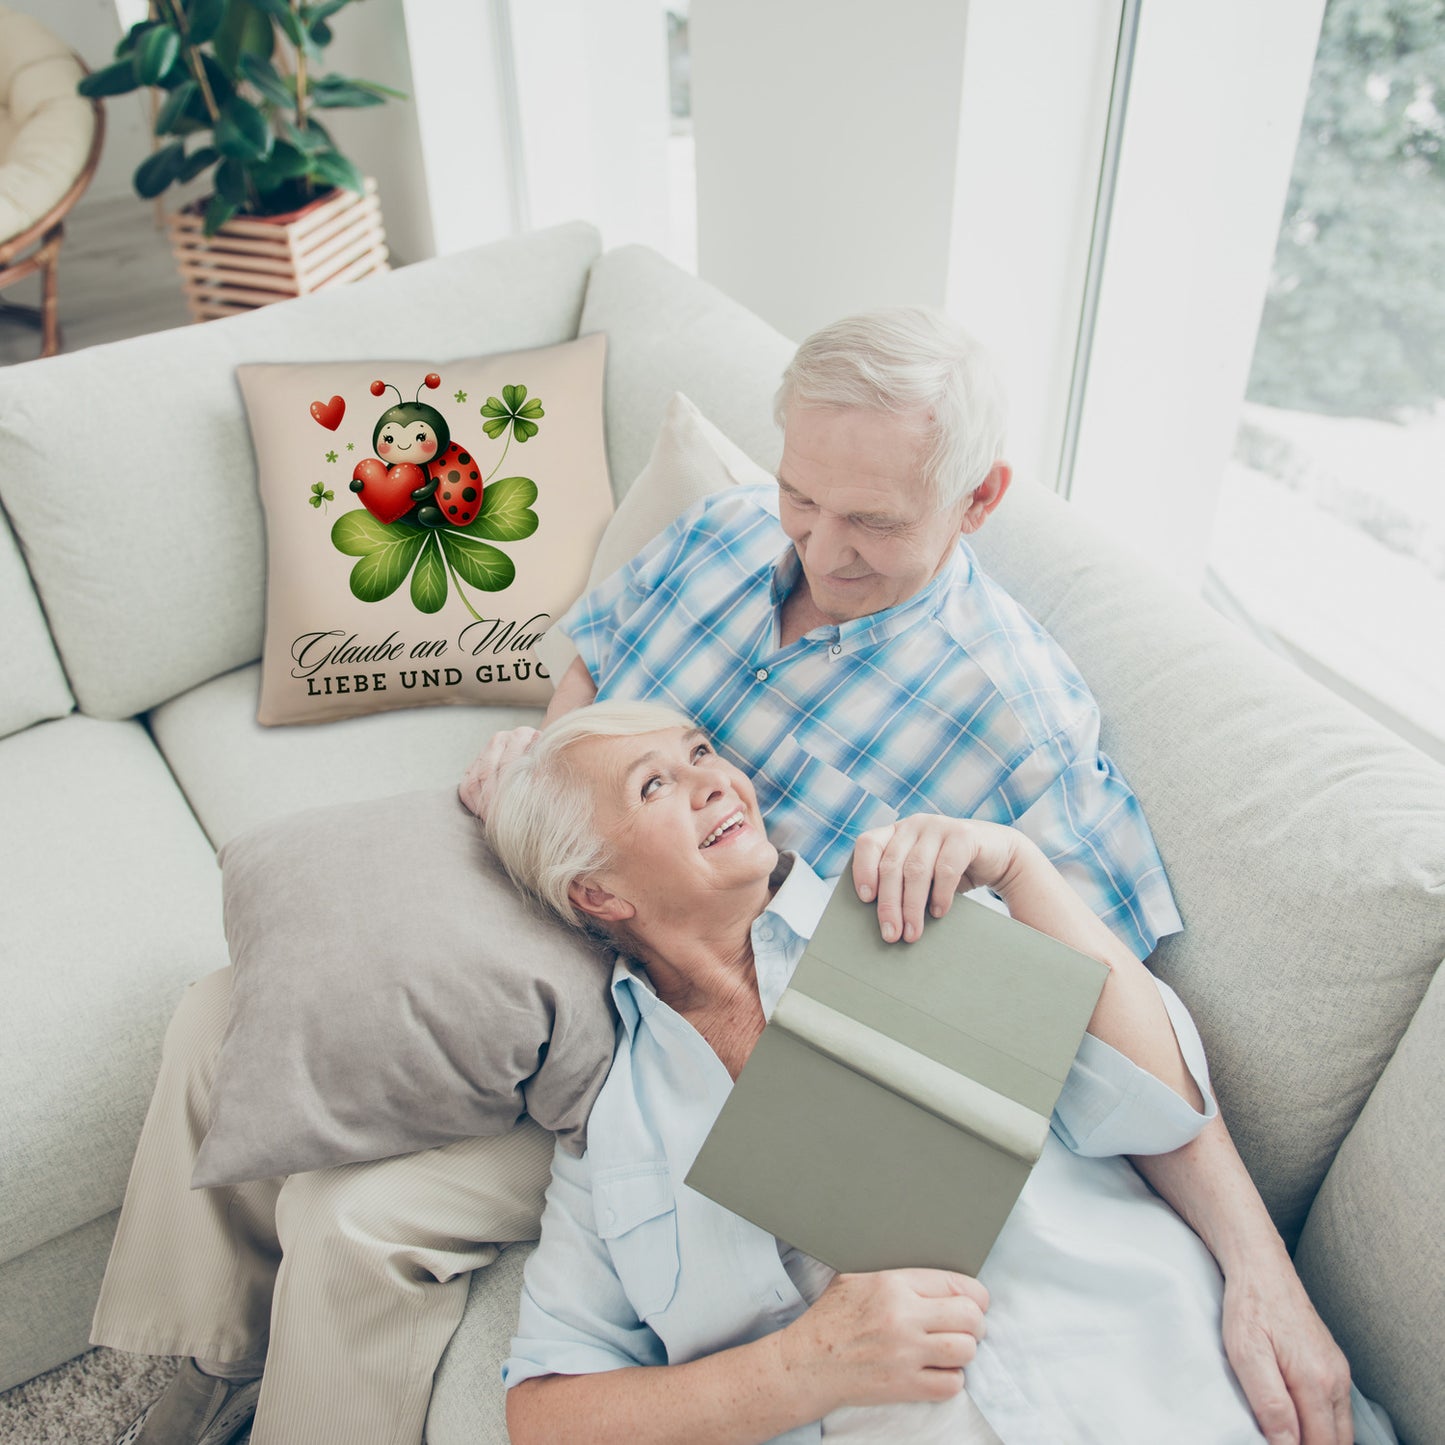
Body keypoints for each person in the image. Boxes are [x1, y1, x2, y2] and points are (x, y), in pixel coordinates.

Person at [94, 309, 1348, 1445]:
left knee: (355, 1218)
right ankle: (192, 1364)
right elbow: (592, 663)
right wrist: (545, 765)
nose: (818, 545)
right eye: (804, 495)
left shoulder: (1016, 724)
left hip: (694, 1015)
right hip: (582, 890)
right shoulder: (726, 532)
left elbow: (1103, 1020)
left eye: (871, 520)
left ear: (976, 501)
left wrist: (1260, 1266)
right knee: (229, 1007)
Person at [486, 700, 1382, 1445]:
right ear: (597, 893)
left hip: (1175, 1392)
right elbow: (545, 1413)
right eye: (655, 784)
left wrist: (1021, 869)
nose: (715, 779)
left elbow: (1158, 1105)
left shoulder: (909, 907)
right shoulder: (614, 1132)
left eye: (700, 752)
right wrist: (802, 1367)